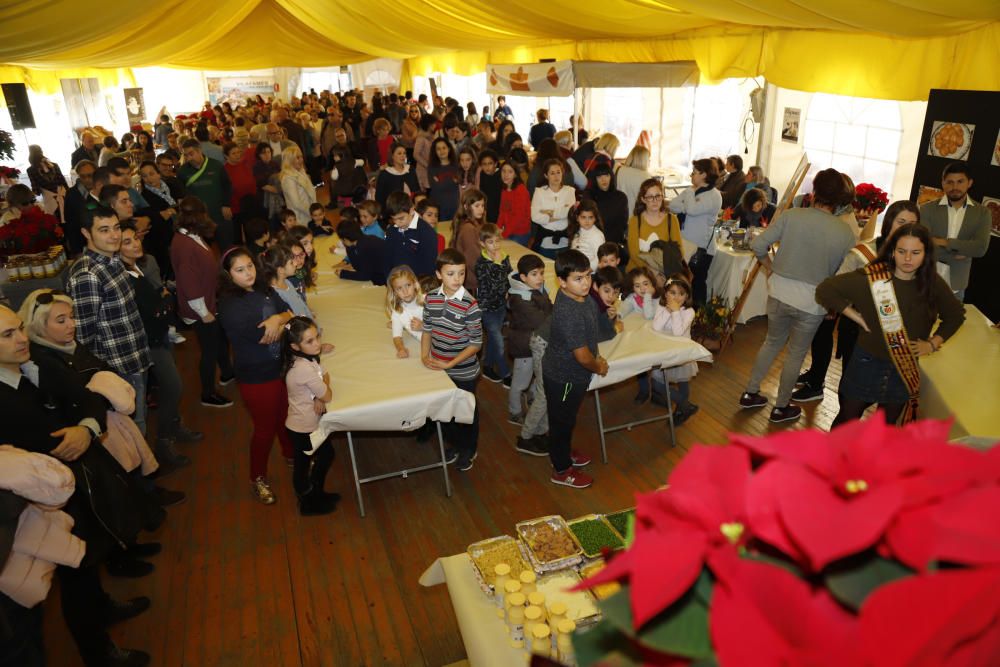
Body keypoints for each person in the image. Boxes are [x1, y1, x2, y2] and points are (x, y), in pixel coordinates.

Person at [0, 304, 156, 667]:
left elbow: (86, 397)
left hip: (73, 484)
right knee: (74, 575)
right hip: (37, 506)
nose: (23, 339)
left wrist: (84, 427)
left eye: (20, 328)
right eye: (8, 335)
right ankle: (99, 653)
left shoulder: (33, 364)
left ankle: (101, 610)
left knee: (87, 560)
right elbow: (44, 438)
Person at [817, 224, 965, 426]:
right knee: (847, 421)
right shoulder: (871, 277)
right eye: (902, 251)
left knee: (886, 427)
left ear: (926, 254)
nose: (907, 259)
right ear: (892, 251)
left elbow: (956, 315)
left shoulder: (932, 283)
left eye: (915, 252)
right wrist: (856, 317)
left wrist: (932, 343)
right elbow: (825, 290)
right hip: (866, 362)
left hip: (903, 366)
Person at [739, 168, 856, 423]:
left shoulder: (792, 216)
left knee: (771, 343)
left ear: (814, 191)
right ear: (839, 198)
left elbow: (758, 245)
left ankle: (750, 392)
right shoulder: (845, 233)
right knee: (795, 353)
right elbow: (844, 273)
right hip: (813, 301)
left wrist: (770, 267)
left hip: (779, 290)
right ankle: (780, 407)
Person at [794, 200, 920, 402]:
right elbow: (834, 288)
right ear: (888, 223)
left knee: (889, 395)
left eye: (912, 223)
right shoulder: (864, 253)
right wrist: (854, 313)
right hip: (859, 332)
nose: (906, 228)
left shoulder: (919, 256)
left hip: (897, 336)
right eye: (901, 221)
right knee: (852, 393)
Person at [118, 221, 202, 464]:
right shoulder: (128, 277)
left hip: (160, 336)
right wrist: (165, 300)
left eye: (135, 237)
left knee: (170, 388)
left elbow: (160, 306)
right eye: (128, 241)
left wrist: (163, 302)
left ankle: (174, 429)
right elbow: (155, 309)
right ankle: (164, 444)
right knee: (173, 388)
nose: (136, 243)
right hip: (150, 342)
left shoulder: (137, 269)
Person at [217, 246, 295, 505]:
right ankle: (257, 477)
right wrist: (280, 323)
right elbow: (262, 337)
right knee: (265, 429)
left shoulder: (264, 288)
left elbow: (290, 313)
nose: (248, 273)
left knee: (286, 416)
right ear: (229, 275)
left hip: (281, 367)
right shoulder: (230, 305)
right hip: (257, 376)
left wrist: (278, 319)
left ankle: (291, 456)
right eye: (239, 270)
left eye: (249, 266)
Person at [65, 206, 153, 434]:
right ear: (86, 233)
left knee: (140, 419)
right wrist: (103, 375)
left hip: (134, 355)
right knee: (131, 429)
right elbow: (83, 336)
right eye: (104, 230)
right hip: (117, 366)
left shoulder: (112, 261)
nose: (114, 235)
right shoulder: (87, 274)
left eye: (115, 228)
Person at [543, 249, 606, 489]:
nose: (586, 283)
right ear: (562, 281)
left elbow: (591, 330)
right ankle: (560, 469)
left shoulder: (583, 298)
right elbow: (581, 356)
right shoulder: (568, 310)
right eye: (578, 279)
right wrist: (598, 365)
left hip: (573, 375)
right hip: (564, 376)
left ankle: (565, 451)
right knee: (561, 422)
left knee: (567, 420)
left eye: (588, 276)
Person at [421, 248, 483, 472]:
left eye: (461, 273)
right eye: (451, 273)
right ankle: (457, 444)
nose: (457, 279)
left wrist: (450, 363)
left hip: (463, 370)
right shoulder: (430, 298)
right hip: (439, 368)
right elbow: (427, 329)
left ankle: (469, 448)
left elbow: (476, 343)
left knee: (466, 412)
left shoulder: (470, 305)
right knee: (444, 412)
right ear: (439, 274)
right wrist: (424, 355)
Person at [170, 196, 234, 408]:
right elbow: (188, 282)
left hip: (208, 302)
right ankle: (208, 393)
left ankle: (227, 373)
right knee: (210, 350)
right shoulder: (185, 244)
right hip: (201, 309)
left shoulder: (191, 237)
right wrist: (203, 312)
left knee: (219, 340)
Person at [281, 316, 339, 516]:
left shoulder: (307, 359)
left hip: (308, 423)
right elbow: (328, 393)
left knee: (324, 455)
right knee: (303, 465)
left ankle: (317, 494)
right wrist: (322, 396)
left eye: (317, 337)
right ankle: (307, 502)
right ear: (295, 346)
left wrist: (320, 396)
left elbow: (325, 376)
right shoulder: (303, 369)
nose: (317, 344)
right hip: (303, 427)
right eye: (310, 341)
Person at [918, 162, 991, 301]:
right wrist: (963, 249)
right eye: (949, 182)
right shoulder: (927, 209)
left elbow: (980, 249)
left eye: (960, 182)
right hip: (925, 280)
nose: (955, 187)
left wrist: (942, 242)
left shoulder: (983, 213)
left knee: (953, 322)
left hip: (957, 286)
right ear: (943, 183)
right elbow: (924, 244)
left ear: (969, 183)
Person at [669, 159, 723, 305]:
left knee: (697, 283)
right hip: (684, 244)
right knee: (683, 282)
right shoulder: (691, 192)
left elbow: (692, 210)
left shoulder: (714, 195)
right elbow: (672, 205)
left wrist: (687, 200)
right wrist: (687, 203)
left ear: (704, 174)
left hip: (702, 248)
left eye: (694, 172)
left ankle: (698, 319)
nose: (691, 175)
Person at [507, 253, 551, 429]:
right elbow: (539, 320)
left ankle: (532, 395)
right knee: (520, 383)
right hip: (524, 345)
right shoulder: (521, 298)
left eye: (541, 273)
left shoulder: (537, 289)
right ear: (523, 277)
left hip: (538, 343)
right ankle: (514, 411)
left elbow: (548, 309)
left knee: (536, 374)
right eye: (534, 274)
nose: (539, 278)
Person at [651, 274, 699, 424]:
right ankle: (686, 405)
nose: (676, 297)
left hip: (681, 354)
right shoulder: (661, 307)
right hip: (665, 353)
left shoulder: (689, 312)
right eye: (672, 292)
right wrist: (668, 310)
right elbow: (656, 327)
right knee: (657, 384)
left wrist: (676, 311)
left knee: (682, 381)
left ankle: (680, 410)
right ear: (666, 293)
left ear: (687, 296)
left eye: (681, 294)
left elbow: (678, 333)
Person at [178, 138, 234, 249]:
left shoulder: (216, 165)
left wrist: (226, 204)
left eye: (191, 154)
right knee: (203, 249)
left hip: (219, 214)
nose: (189, 158)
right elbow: (181, 195)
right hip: (198, 219)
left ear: (199, 150)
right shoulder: (182, 171)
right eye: (186, 155)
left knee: (226, 245)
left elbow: (227, 186)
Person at [474, 223, 513, 384]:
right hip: (487, 308)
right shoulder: (481, 264)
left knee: (492, 340)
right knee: (498, 342)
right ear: (482, 243)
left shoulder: (504, 257)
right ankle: (506, 375)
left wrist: (509, 289)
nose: (495, 246)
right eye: (491, 242)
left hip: (501, 306)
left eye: (497, 241)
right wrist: (497, 264)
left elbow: (508, 278)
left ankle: (488, 367)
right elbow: (495, 285)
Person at [627, 178, 682, 276]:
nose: (654, 200)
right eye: (650, 197)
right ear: (643, 199)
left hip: (664, 272)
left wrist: (661, 273)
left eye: (657, 196)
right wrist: (652, 273)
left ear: (662, 197)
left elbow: (679, 250)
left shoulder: (672, 219)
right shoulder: (635, 221)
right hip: (638, 272)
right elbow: (634, 254)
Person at [137, 160, 180, 279]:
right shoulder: (144, 197)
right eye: (144, 176)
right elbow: (156, 219)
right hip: (162, 240)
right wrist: (168, 212)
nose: (149, 178)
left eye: (151, 174)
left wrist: (170, 211)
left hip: (177, 232)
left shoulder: (169, 187)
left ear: (158, 174)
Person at [382, 191, 438, 279]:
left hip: (419, 285)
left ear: (411, 210)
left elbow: (429, 267)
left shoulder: (426, 232)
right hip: (397, 285)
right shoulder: (391, 231)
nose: (397, 223)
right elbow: (387, 260)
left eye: (401, 218)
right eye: (394, 219)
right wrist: (389, 282)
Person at [530, 159, 575, 258]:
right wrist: (561, 212)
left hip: (565, 241)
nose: (556, 176)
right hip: (545, 242)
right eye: (552, 173)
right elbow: (535, 217)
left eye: (558, 172)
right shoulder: (539, 191)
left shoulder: (570, 191)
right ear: (546, 175)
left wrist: (548, 212)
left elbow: (569, 213)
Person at [450, 188, 487, 291]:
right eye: (477, 206)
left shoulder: (469, 224)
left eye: (482, 205)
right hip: (473, 283)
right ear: (466, 207)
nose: (481, 209)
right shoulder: (468, 229)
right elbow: (474, 260)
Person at [385, 264, 426, 358]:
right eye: (399, 288)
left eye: (408, 285)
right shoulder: (398, 311)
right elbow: (397, 336)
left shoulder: (427, 301)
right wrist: (401, 348)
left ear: (415, 284)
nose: (405, 291)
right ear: (394, 292)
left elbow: (444, 327)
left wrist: (424, 326)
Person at [335, 216, 386, 285]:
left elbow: (365, 275)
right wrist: (348, 246)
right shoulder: (363, 239)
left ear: (345, 239)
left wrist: (343, 274)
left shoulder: (363, 246)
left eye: (342, 239)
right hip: (382, 271)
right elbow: (357, 266)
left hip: (386, 276)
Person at [375, 142, 420, 212]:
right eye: (399, 153)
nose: (403, 156)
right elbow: (379, 198)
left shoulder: (410, 170)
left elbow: (417, 190)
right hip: (392, 212)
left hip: (412, 210)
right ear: (392, 156)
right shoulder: (385, 174)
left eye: (404, 153)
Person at [279, 145, 316, 226]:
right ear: (289, 160)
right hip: (300, 218)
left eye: (301, 157)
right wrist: (313, 213)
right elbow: (296, 203)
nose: (301, 160)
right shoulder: (288, 178)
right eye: (297, 158)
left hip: (309, 214)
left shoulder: (301, 172)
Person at [26, 144, 68, 216]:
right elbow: (63, 181)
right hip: (63, 195)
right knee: (68, 215)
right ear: (41, 152)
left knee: (55, 220)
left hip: (50, 200)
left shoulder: (31, 170)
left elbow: (36, 190)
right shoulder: (54, 165)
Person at [497, 159, 532, 246]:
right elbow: (502, 211)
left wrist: (503, 234)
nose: (506, 175)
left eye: (510, 172)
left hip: (520, 232)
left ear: (515, 174)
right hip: (509, 230)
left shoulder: (521, 190)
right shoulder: (505, 189)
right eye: (503, 171)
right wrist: (497, 229)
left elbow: (518, 217)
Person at [615, 145, 654, 216]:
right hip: (636, 217)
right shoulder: (645, 176)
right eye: (648, 159)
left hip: (619, 215)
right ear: (644, 159)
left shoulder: (619, 170)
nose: (649, 161)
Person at [427, 138, 460, 221]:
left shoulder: (457, 165)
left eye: (444, 148)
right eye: (438, 149)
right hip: (439, 209)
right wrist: (452, 181)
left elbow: (460, 184)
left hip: (456, 207)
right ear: (435, 152)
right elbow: (436, 187)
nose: (442, 151)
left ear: (449, 149)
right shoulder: (432, 168)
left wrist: (440, 181)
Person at [474, 149, 502, 223]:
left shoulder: (501, 176)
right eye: (484, 164)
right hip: (486, 213)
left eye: (490, 163)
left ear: (495, 164)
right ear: (481, 165)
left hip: (499, 212)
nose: (487, 167)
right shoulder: (481, 175)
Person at [413, 115, 437, 191]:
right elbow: (416, 154)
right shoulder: (421, 137)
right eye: (433, 124)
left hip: (431, 168)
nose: (435, 125)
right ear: (429, 125)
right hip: (423, 170)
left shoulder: (431, 135)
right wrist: (427, 165)